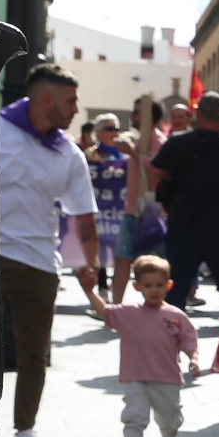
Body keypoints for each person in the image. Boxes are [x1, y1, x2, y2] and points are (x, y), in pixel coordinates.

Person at [0, 63, 98, 437]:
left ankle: (24, 434)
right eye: (70, 100)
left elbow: (84, 217)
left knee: (34, 355)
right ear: (47, 100)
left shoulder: (69, 152)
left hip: (41, 265)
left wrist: (89, 266)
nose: (76, 109)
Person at [82, 255, 199, 437]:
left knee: (169, 417)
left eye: (159, 285)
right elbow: (104, 311)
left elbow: (188, 340)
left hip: (167, 379)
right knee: (134, 415)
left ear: (169, 285)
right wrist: (90, 291)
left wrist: (193, 358)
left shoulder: (176, 316)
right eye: (148, 285)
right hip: (136, 377)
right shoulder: (128, 313)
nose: (154, 290)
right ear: (137, 287)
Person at [148, 92, 219, 313]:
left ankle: (167, 343)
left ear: (195, 114)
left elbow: (155, 172)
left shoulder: (178, 142)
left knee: (175, 293)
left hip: (183, 225)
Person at [87, 112, 142, 305]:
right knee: (100, 250)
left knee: (120, 254)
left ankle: (113, 289)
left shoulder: (126, 155)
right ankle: (102, 288)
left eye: (117, 128)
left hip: (120, 212)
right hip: (99, 212)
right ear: (99, 132)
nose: (114, 133)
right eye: (109, 129)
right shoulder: (89, 155)